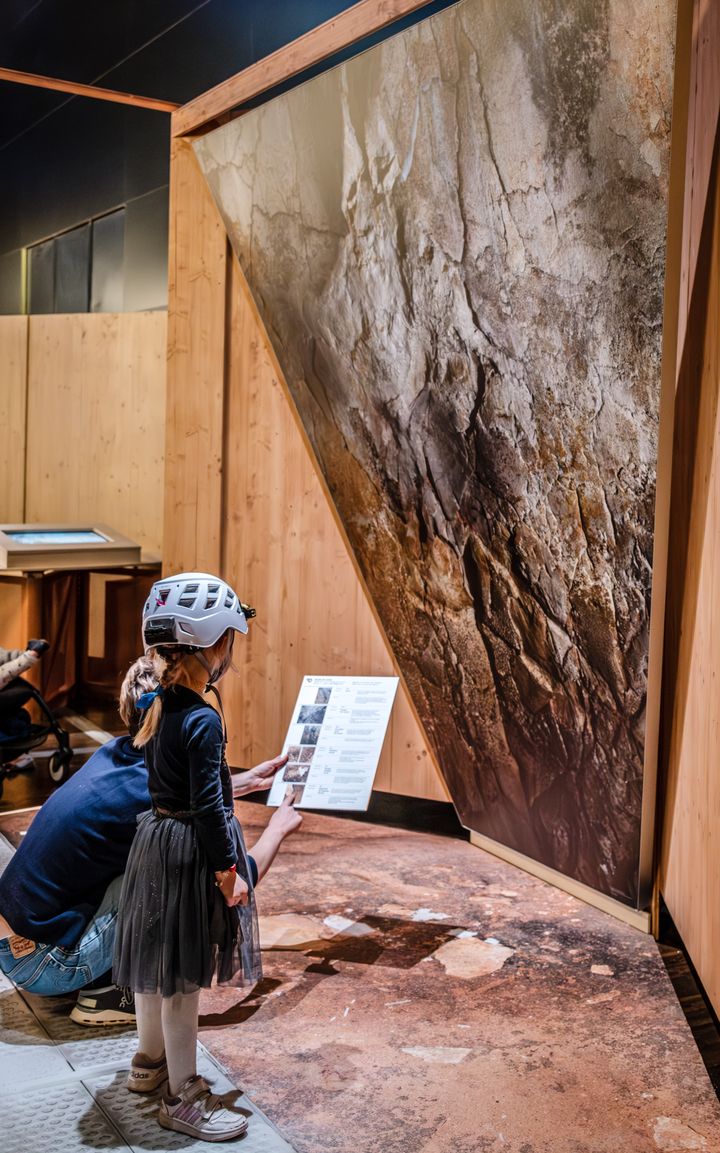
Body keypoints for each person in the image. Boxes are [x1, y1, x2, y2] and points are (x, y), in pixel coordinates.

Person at [0, 653, 296, 1029]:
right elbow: (232, 882)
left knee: (149, 863)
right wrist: (278, 829)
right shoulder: (151, 800)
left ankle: (96, 975)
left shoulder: (112, 755)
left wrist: (247, 781)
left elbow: (163, 792)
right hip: (48, 966)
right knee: (180, 876)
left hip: (15, 952)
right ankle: (108, 995)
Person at [113, 572, 301, 1142]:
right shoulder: (203, 719)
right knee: (183, 982)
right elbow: (214, 809)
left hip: (153, 843)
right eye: (229, 642)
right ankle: (184, 1095)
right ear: (212, 644)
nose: (230, 654)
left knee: (154, 965)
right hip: (189, 852)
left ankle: (147, 1068)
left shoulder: (155, 703)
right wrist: (229, 872)